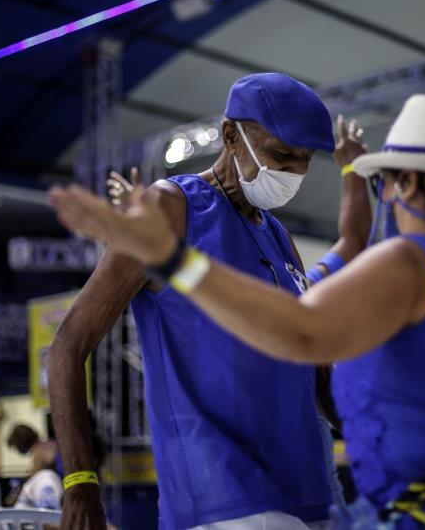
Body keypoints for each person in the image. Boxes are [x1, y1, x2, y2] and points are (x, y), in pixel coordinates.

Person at [49, 94, 425, 529]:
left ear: (406, 182)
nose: (297, 173)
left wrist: (177, 262)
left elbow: (301, 333)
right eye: (286, 155)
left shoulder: (410, 263)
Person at [48, 72, 371, 530]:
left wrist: (379, 440)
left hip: (303, 493)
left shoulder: (277, 234)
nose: (295, 171)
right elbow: (68, 343)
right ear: (229, 136)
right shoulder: (172, 208)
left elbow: (313, 368)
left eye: (306, 159)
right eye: (282, 154)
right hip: (221, 496)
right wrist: (79, 481)